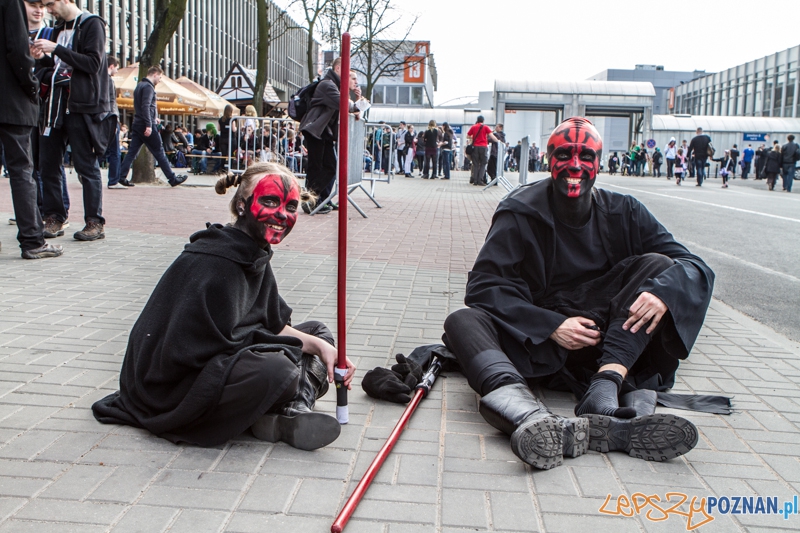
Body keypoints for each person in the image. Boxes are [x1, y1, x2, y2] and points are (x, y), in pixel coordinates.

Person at [440, 117, 713, 469]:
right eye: (564, 155)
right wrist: (552, 325)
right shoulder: (520, 210)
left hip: (610, 344)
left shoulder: (625, 210)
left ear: (598, 163)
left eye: (586, 156)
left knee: (661, 266)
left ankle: (605, 389)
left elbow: (693, 265)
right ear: (548, 159)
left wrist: (664, 293)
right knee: (462, 321)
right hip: (539, 343)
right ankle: (530, 417)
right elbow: (483, 286)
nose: (574, 166)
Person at [92, 163, 356, 448]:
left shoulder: (252, 250)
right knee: (279, 370)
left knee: (318, 333)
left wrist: (322, 347)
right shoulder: (219, 262)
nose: (282, 215)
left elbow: (272, 324)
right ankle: (281, 406)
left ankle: (293, 409)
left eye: (290, 207)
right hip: (176, 386)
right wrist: (279, 352)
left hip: (223, 356)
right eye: (270, 201)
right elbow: (203, 347)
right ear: (242, 205)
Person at [33, 0, 116, 242]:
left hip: (81, 107)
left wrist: (56, 49)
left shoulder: (92, 24)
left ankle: (94, 222)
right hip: (53, 106)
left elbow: (93, 63)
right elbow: (56, 66)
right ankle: (54, 217)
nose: (48, 10)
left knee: (86, 166)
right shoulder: (58, 28)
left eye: (50, 4)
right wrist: (43, 58)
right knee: (48, 164)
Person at [0, 0, 62, 259]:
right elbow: (16, 49)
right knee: (22, 172)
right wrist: (32, 85)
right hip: (11, 101)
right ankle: (32, 240)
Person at [299, 57, 360, 214]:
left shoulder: (334, 85)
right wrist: (358, 104)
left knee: (327, 167)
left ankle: (313, 199)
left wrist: (356, 102)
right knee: (318, 167)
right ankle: (310, 200)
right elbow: (344, 104)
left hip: (322, 131)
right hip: (315, 130)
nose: (348, 75)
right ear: (338, 68)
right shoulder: (328, 85)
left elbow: (346, 105)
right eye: (346, 71)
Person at [116, 66, 188, 189]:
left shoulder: (139, 86)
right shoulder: (149, 87)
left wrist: (154, 117)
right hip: (146, 125)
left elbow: (143, 107)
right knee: (159, 151)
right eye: (160, 77)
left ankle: (121, 176)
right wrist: (149, 124)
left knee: (132, 152)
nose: (160, 80)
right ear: (155, 74)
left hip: (137, 123)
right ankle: (172, 179)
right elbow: (146, 106)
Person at [104, 56, 126, 188]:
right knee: (115, 151)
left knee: (102, 149)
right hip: (110, 118)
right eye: (116, 68)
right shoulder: (109, 81)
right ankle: (113, 180)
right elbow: (111, 101)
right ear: (111, 66)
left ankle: (85, 171)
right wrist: (115, 119)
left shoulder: (98, 78)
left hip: (101, 118)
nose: (117, 71)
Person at [467, 116, 501, 186]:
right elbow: (492, 136)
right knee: (483, 164)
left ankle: (475, 181)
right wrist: (498, 141)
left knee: (475, 164)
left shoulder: (473, 127)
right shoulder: (485, 127)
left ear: (477, 120)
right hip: (483, 147)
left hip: (475, 147)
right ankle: (480, 180)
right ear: (483, 121)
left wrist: (473, 138)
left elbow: (468, 136)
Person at [217, 104, 237, 169]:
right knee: (231, 154)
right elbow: (233, 129)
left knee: (223, 154)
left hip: (222, 138)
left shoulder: (220, 119)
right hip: (231, 138)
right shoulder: (232, 119)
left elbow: (218, 129)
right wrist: (236, 128)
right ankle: (230, 168)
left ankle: (222, 168)